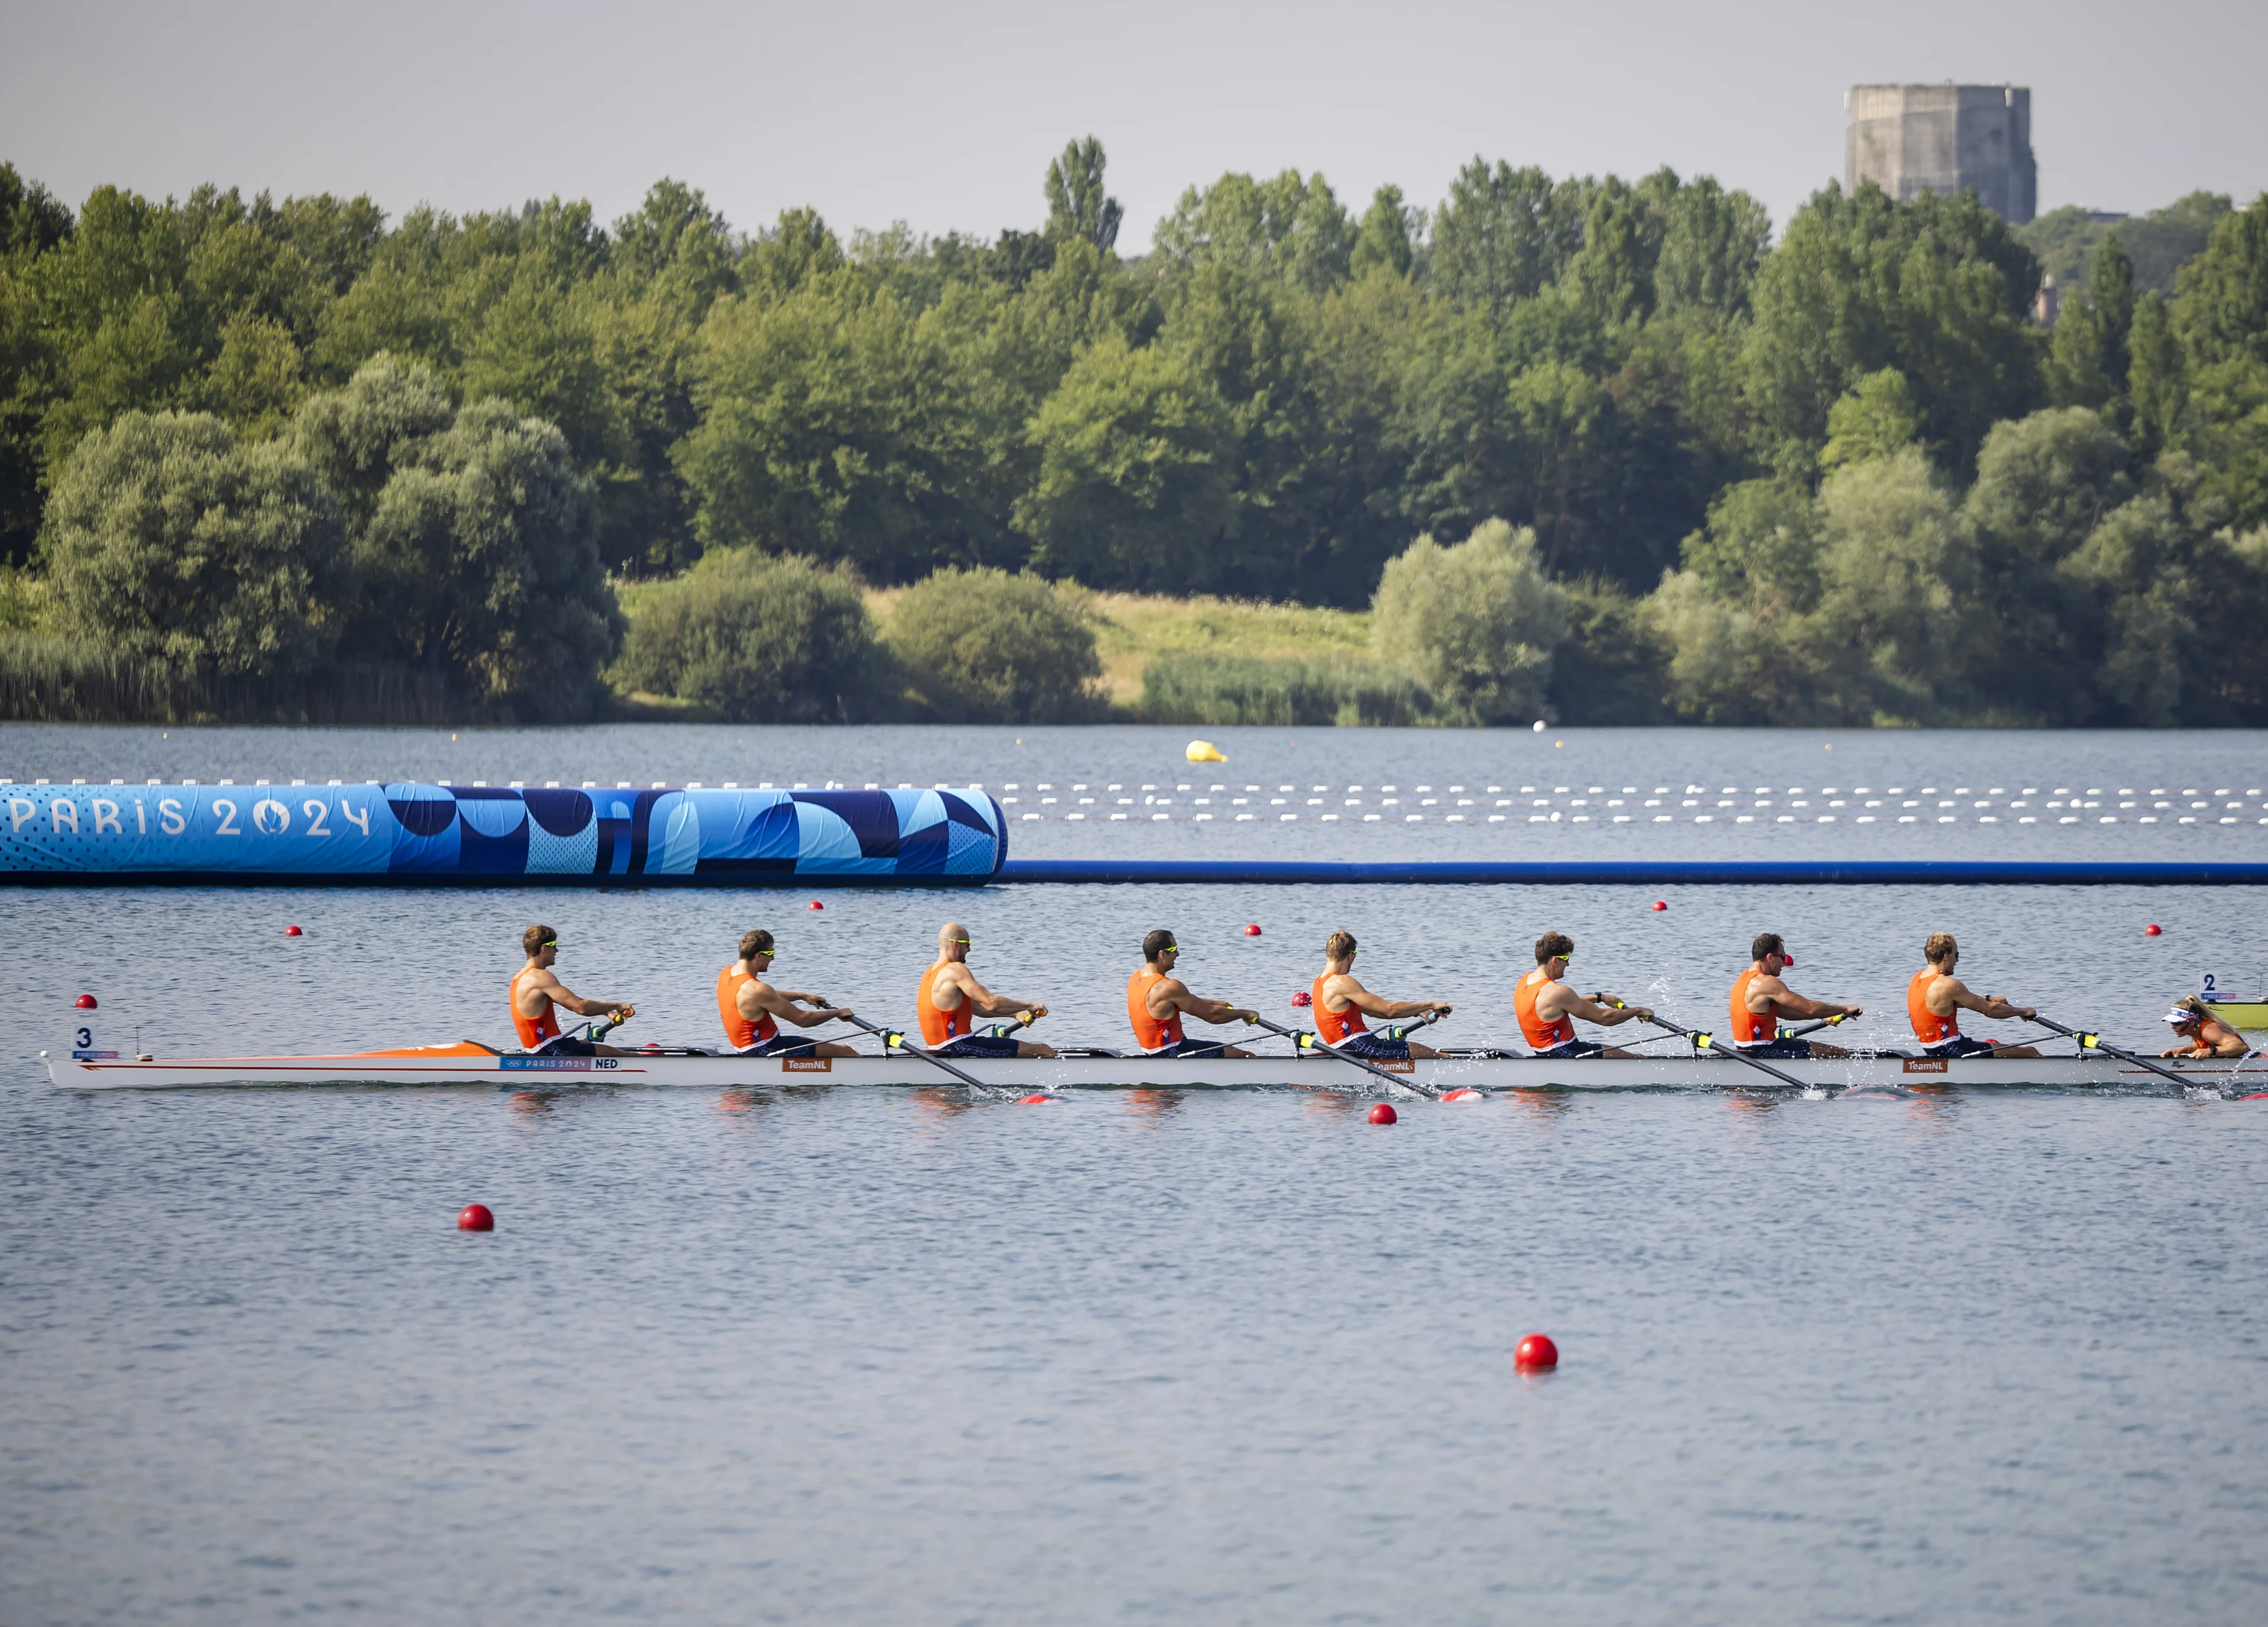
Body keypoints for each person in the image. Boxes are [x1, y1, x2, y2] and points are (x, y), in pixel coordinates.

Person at [916, 922, 1059, 1059]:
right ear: (955, 945)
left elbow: (978, 1009)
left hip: (938, 1049)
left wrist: (1015, 1014)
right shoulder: (955, 970)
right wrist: (1030, 1006)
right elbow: (991, 1003)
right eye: (967, 944)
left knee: (1026, 1050)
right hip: (959, 1046)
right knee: (1043, 1050)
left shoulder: (931, 973)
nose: (969, 950)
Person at [718, 929, 861, 1058]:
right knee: (846, 1052)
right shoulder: (758, 990)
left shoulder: (727, 974)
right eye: (771, 953)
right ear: (758, 956)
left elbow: (765, 996)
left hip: (750, 1047)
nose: (773, 958)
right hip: (763, 1050)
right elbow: (803, 1020)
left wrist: (802, 996)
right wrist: (837, 1013)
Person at [1311, 930, 1451, 1060]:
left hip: (1339, 1049)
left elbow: (1374, 1012)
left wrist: (1418, 1011)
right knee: (1425, 1052)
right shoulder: (1341, 982)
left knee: (1413, 1049)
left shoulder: (1319, 983)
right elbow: (1390, 1010)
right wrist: (1431, 1005)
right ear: (1350, 955)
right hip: (1358, 1045)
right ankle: (1447, 1062)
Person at [1514, 931, 1655, 1058]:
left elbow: (1557, 1003)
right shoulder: (1558, 991)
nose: (1568, 965)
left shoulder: (1525, 982)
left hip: (1544, 1053)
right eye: (1566, 960)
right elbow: (1604, 1019)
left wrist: (1600, 998)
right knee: (1634, 1058)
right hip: (1565, 1053)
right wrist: (1637, 1011)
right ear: (1555, 961)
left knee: (1607, 1050)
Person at [1906, 933, 2042, 1059]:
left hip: (1932, 1049)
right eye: (1956, 954)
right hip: (1952, 1048)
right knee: (2030, 1052)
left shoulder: (1917, 979)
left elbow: (1956, 1002)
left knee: (1992, 1043)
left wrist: (1989, 998)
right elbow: (1991, 1010)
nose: (1958, 960)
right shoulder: (1948, 985)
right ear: (1946, 956)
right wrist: (2022, 1011)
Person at [1128, 929, 1258, 1058]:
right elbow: (1213, 1016)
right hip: (1174, 1052)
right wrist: (1244, 1013)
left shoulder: (1136, 979)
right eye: (1174, 950)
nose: (1177, 954)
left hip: (1152, 1052)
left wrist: (1216, 1003)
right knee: (1245, 1056)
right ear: (1162, 954)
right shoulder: (1168, 986)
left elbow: (1177, 1003)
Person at [1729, 932, 1861, 1059]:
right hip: (1764, 1049)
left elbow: (1785, 1012)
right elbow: (1810, 1008)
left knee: (1797, 1043)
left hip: (1746, 1049)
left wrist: (1823, 1015)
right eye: (1782, 956)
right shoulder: (1766, 983)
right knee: (1838, 1053)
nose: (1784, 962)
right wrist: (1844, 1009)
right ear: (1770, 958)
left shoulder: (1743, 979)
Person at [511, 925, 635, 1056]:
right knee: (629, 1057)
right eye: (553, 945)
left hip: (540, 1050)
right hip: (552, 1049)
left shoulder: (519, 977)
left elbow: (568, 1002)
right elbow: (581, 1008)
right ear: (544, 949)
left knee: (593, 1047)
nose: (556, 950)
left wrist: (608, 1012)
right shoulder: (540, 977)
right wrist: (618, 1005)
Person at [2162, 995, 2253, 1059]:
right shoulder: (2196, 1029)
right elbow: (2204, 1044)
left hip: (2249, 1061)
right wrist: (2180, 1050)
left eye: (2177, 1023)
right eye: (2171, 1022)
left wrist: (2209, 1051)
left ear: (2192, 1021)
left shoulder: (2208, 1029)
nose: (2173, 1027)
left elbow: (2241, 1047)